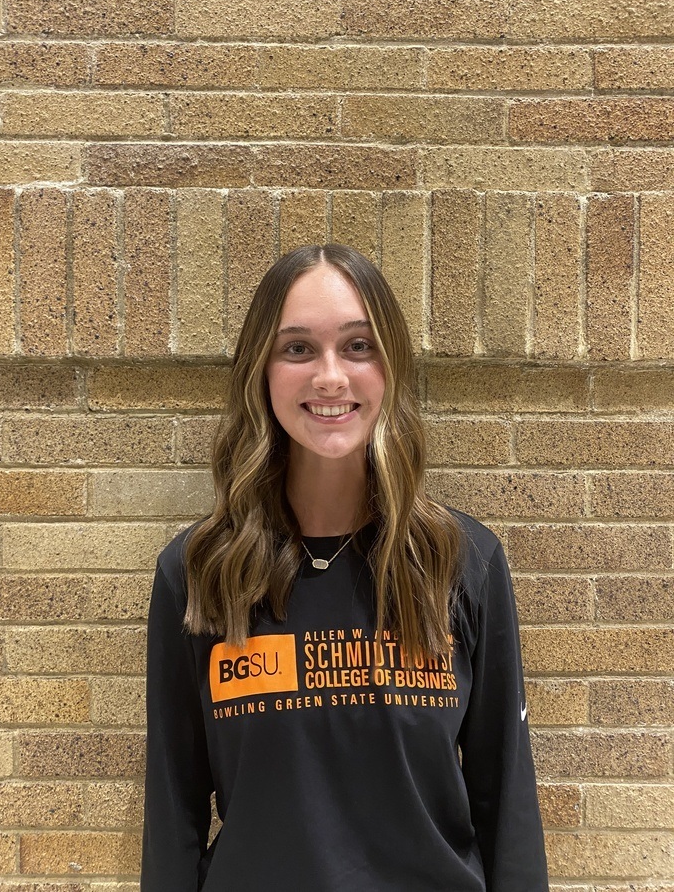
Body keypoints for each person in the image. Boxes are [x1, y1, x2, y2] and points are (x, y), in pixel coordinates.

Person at [140, 244, 549, 891]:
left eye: (358, 346)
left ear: (391, 367)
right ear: (261, 371)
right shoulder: (199, 573)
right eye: (298, 348)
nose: (330, 377)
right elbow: (172, 817)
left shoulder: (461, 561)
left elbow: (508, 805)